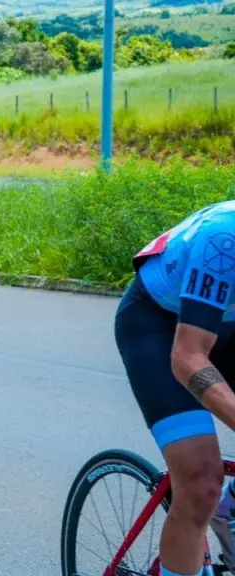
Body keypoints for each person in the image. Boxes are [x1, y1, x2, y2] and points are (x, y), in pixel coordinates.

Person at [116, 200, 235, 576]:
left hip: (227, 327)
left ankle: (230, 510)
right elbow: (188, 357)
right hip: (160, 326)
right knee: (200, 482)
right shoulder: (224, 238)